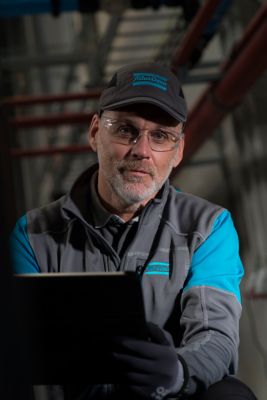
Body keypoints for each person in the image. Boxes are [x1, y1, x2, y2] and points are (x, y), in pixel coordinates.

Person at [10, 62, 257, 400]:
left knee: (230, 395)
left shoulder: (207, 228)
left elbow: (215, 334)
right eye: (126, 129)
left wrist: (178, 372)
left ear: (178, 151)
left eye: (161, 136)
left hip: (166, 397)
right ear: (96, 132)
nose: (142, 150)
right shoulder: (34, 236)